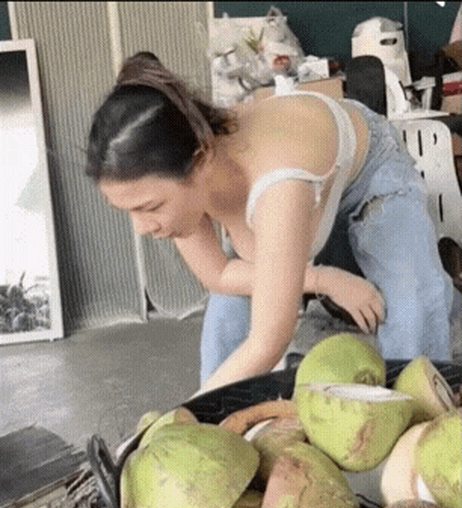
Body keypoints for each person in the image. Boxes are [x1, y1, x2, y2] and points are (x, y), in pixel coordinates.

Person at [86, 51, 455, 395]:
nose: (141, 227)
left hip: (366, 167)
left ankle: (422, 418)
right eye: (128, 211)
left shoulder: (277, 187)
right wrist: (323, 280)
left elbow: (268, 341)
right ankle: (220, 429)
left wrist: (181, 415)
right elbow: (219, 275)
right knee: (226, 319)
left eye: (149, 207)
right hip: (291, 186)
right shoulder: (178, 163)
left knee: (413, 303)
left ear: (199, 161)